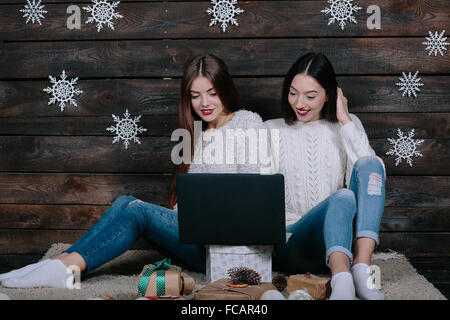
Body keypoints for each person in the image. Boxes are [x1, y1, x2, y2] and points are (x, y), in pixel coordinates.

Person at [0, 54, 267, 289]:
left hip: (224, 245)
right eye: (194, 96)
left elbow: (251, 196)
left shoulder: (247, 122)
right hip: (195, 232)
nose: (203, 103)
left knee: (136, 210)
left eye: (211, 92)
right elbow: (188, 201)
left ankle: (64, 267)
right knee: (126, 203)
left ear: (224, 89)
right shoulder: (197, 133)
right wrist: (178, 216)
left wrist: (195, 213)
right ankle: (61, 263)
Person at [266, 52, 386, 300]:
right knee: (341, 196)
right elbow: (255, 193)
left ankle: (359, 271)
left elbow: (373, 178)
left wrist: (345, 121)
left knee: (371, 164)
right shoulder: (270, 129)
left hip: (337, 241)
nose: (299, 103)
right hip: (292, 241)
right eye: (293, 92)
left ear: (329, 95)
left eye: (310, 96)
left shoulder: (347, 126)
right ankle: (343, 281)